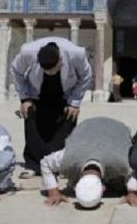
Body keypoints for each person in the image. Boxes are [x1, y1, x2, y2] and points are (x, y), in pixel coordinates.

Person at [10, 37, 92, 177]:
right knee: (32, 121)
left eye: (53, 70)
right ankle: (34, 165)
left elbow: (85, 75)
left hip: (65, 92)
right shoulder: (28, 52)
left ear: (60, 60)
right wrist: (25, 98)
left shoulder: (76, 53)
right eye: (46, 70)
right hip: (37, 92)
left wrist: (75, 101)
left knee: (67, 123)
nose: (50, 73)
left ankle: (61, 165)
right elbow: (15, 70)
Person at [40, 117, 137, 208]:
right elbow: (45, 163)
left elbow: (134, 170)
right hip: (86, 126)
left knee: (119, 183)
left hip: (117, 128)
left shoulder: (121, 163)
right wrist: (53, 192)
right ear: (103, 188)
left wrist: (132, 192)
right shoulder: (66, 158)